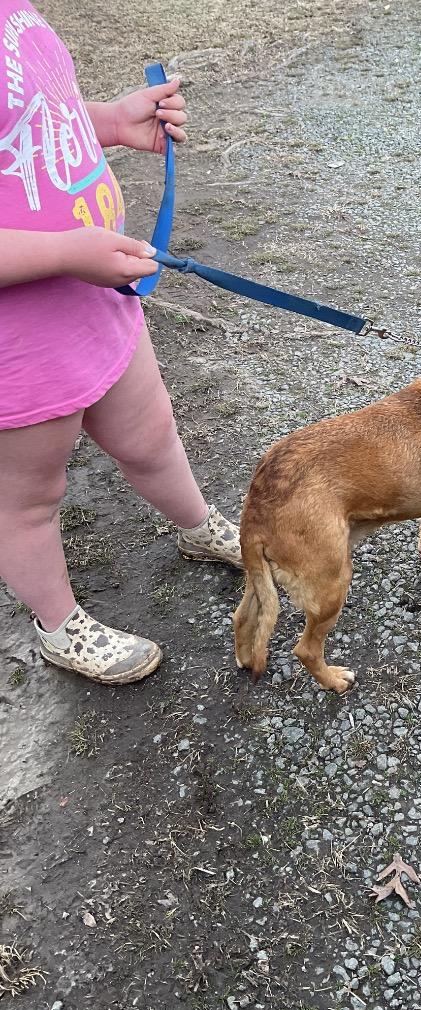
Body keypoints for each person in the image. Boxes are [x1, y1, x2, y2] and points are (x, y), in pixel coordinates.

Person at [0, 2, 242, 686]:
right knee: (28, 498)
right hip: (18, 345)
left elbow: (38, 115)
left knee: (151, 432)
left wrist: (110, 120)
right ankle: (58, 623)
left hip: (96, 299)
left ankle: (199, 527)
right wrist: (64, 251)